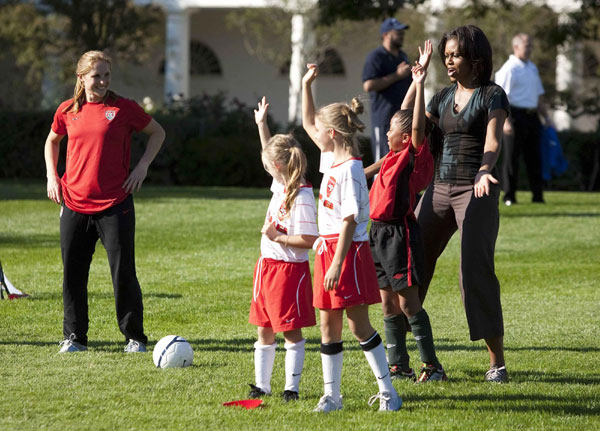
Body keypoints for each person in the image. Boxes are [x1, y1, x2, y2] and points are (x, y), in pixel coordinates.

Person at [44, 51, 166, 353]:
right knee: (73, 275)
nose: (102, 81)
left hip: (115, 204)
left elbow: (157, 132)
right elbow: (51, 141)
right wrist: (51, 176)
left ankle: (134, 337)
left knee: (123, 273)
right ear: (81, 78)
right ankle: (74, 338)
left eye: (106, 75)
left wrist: (142, 167)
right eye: (96, 75)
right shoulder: (66, 110)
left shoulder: (123, 108)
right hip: (74, 204)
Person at [409, 25, 510, 383]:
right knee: (410, 260)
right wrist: (418, 83)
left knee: (474, 271)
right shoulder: (439, 97)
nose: (449, 61)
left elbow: (493, 140)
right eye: (446, 55)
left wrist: (485, 171)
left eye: (455, 55)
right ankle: (416, 360)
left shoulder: (492, 95)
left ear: (475, 58)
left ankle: (496, 363)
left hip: (475, 188)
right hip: (438, 188)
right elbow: (413, 131)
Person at [302, 64, 402, 412]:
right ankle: (332, 396)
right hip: (330, 251)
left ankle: (389, 393)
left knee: (358, 325)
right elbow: (307, 122)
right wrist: (306, 85)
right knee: (328, 327)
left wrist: (338, 262)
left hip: (348, 253)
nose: (315, 132)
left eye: (321, 129)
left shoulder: (351, 169)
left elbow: (348, 221)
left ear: (332, 133)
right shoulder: (330, 158)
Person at [368, 40, 447, 383]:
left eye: (391, 132)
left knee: (409, 305)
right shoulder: (392, 154)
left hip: (400, 235)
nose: (386, 134)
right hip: (377, 234)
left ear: (406, 139)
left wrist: (419, 82)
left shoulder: (412, 153)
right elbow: (401, 118)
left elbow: (412, 128)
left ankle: (433, 367)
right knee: (387, 306)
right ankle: (399, 366)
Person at [247, 96, 319, 402]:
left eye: (267, 164)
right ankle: (262, 385)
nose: (265, 167)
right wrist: (262, 125)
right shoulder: (281, 184)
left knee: (290, 331)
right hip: (267, 268)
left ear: (277, 166)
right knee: (264, 329)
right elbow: (270, 155)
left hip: (289, 272)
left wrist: (277, 237)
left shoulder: (301, 195)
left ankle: (292, 388)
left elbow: (308, 240)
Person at [495, 33, 551, 205]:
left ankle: (538, 196)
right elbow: (500, 96)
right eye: (527, 46)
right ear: (516, 47)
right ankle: (509, 196)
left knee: (535, 157)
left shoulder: (532, 68)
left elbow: (539, 95)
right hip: (514, 116)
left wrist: (546, 117)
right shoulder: (509, 68)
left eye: (531, 46)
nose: (530, 49)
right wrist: (505, 121)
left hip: (531, 115)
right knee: (511, 159)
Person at [362, 17, 413, 162]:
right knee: (382, 160)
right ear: (386, 34)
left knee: (400, 161)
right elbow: (368, 85)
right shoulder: (376, 56)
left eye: (402, 32)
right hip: (384, 120)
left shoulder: (402, 56)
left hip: (402, 119)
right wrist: (396, 75)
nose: (402, 36)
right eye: (398, 32)